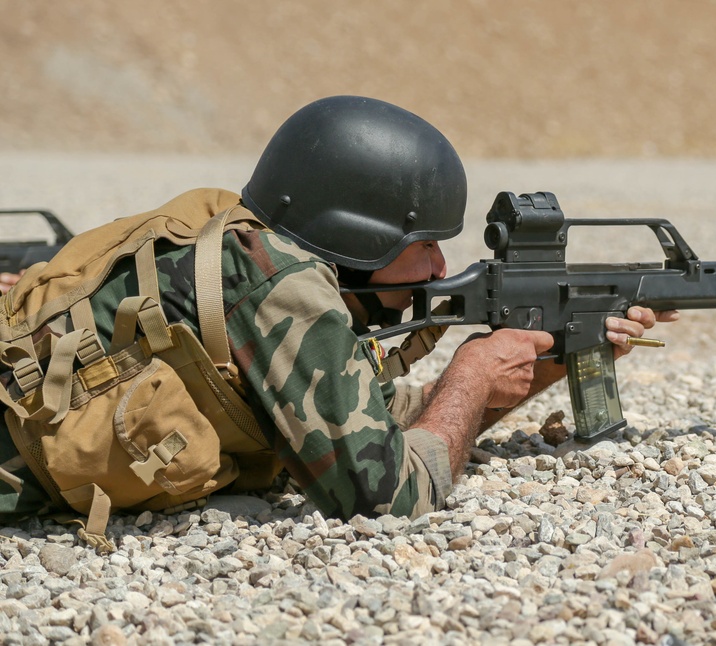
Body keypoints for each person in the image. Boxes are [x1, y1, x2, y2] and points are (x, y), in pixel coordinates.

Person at [0, 96, 676, 525]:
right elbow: (384, 495)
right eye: (423, 247)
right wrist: (472, 370)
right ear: (359, 238)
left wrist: (548, 358)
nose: (440, 269)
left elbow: (370, 419)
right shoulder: (284, 290)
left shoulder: (257, 250)